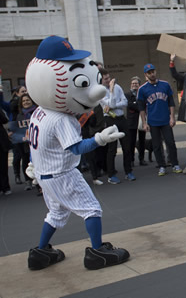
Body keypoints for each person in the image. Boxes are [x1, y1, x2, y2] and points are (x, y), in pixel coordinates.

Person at [24, 35, 129, 270]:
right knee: (91, 209)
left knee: (56, 213)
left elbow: (35, 143)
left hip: (44, 174)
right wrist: (100, 139)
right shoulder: (61, 118)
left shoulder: (39, 111)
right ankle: (97, 252)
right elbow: (76, 147)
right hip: (62, 173)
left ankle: (40, 252)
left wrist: (33, 165)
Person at [138, 63, 182, 175]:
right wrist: (144, 123)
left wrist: (172, 117)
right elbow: (141, 108)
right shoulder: (142, 89)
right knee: (157, 145)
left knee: (170, 143)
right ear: (145, 75)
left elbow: (171, 102)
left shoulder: (165, 85)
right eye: (149, 73)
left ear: (155, 72)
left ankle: (175, 164)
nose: (152, 74)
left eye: (153, 71)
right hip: (153, 121)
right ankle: (161, 166)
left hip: (165, 120)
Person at [99, 69, 134, 183]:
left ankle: (128, 171)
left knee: (127, 146)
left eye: (109, 78)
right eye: (106, 79)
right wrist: (112, 91)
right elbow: (111, 103)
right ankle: (111, 174)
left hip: (121, 118)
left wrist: (114, 105)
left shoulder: (118, 87)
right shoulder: (100, 92)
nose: (109, 80)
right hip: (110, 119)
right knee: (112, 148)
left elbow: (124, 102)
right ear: (100, 80)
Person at [125, 76, 147, 167]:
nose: (134, 85)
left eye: (136, 83)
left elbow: (145, 104)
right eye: (133, 83)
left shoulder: (142, 93)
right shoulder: (127, 95)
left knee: (142, 141)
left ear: (139, 85)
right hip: (131, 121)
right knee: (131, 141)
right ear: (131, 85)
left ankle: (141, 159)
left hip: (142, 120)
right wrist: (139, 107)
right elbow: (130, 105)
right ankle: (131, 160)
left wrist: (137, 106)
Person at [10, 85, 27, 184]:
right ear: (17, 93)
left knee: (28, 156)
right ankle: (17, 175)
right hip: (18, 134)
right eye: (22, 91)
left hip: (28, 134)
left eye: (26, 91)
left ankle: (30, 178)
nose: (25, 93)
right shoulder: (14, 104)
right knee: (17, 156)